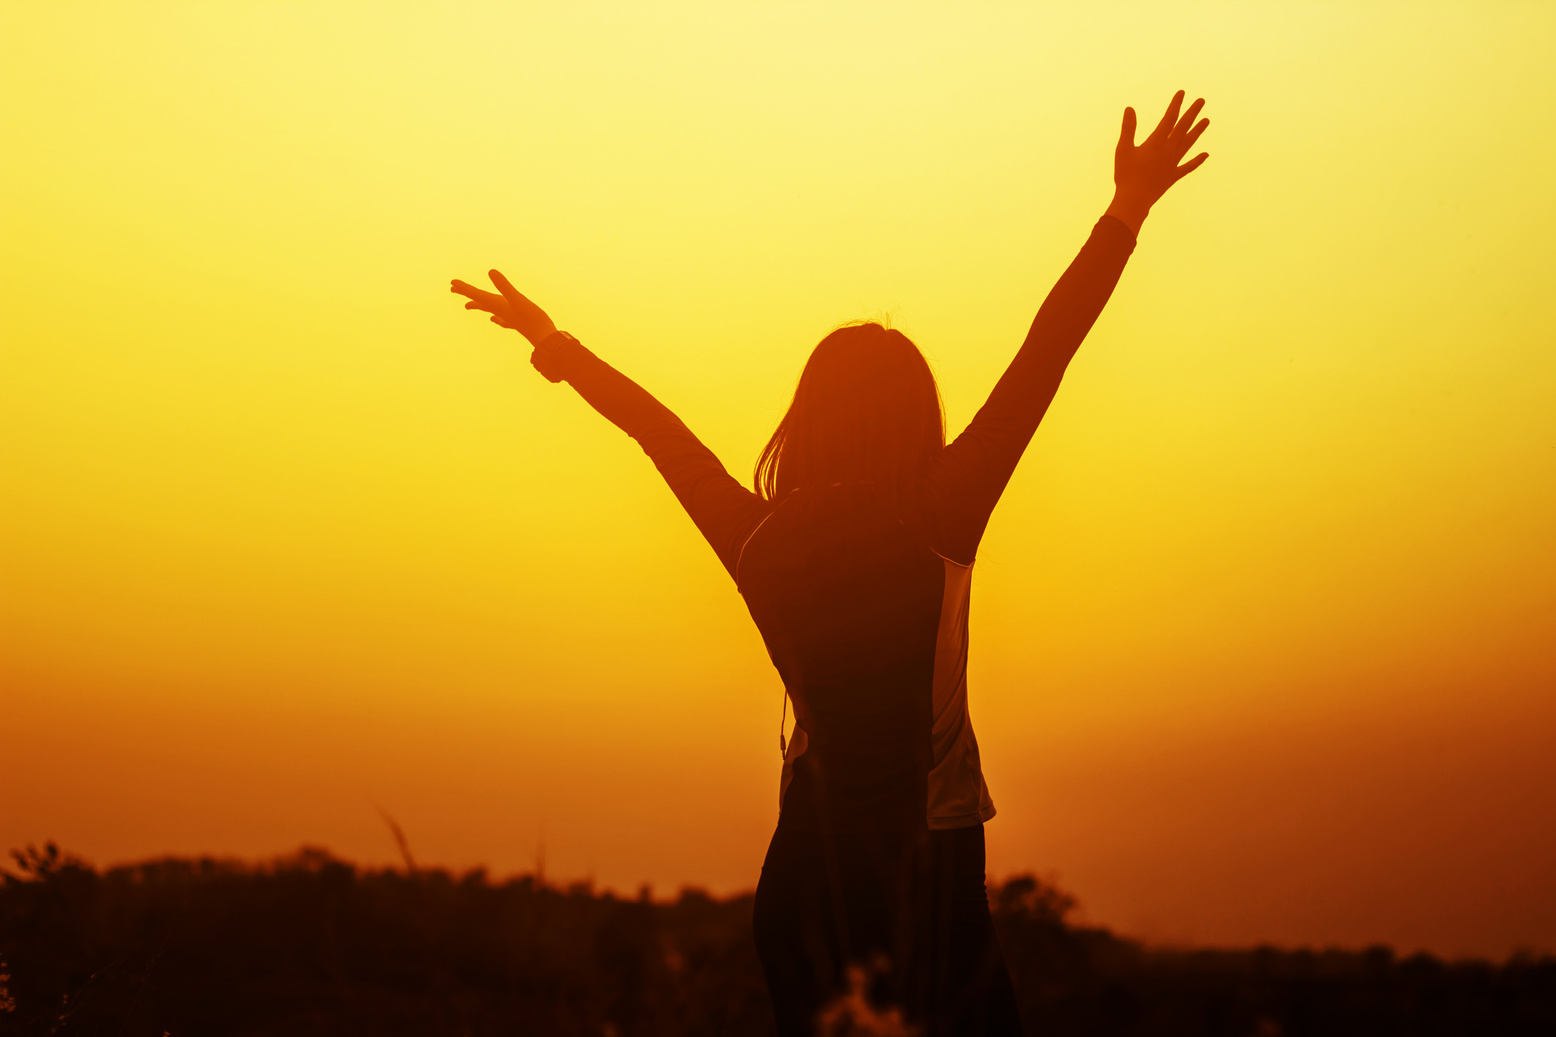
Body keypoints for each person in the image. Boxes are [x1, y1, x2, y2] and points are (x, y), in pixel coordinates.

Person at [453, 91, 1210, 1037]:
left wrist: (555, 344)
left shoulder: (758, 537)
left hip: (804, 878)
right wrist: (1126, 209)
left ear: (807, 418)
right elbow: (1044, 354)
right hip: (927, 874)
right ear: (913, 418)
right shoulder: (940, 514)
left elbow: (662, 436)